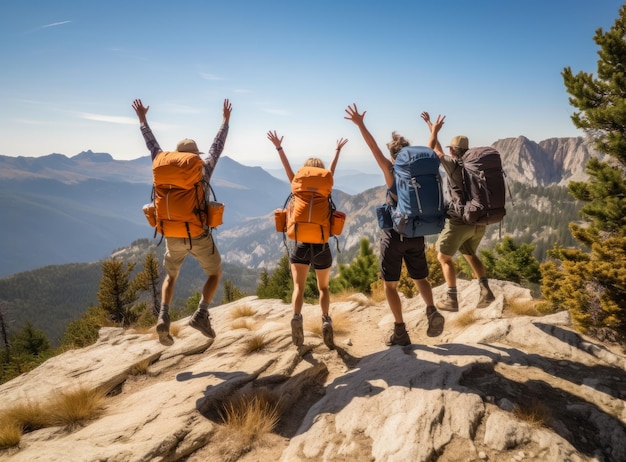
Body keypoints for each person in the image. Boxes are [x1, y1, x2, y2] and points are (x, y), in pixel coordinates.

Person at [132, 98, 232, 345]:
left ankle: (164, 317)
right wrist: (225, 122)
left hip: (172, 233)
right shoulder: (202, 168)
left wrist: (143, 120)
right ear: (194, 156)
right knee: (215, 272)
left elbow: (152, 145)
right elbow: (216, 147)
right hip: (197, 233)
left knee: (171, 276)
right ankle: (201, 313)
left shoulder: (161, 165)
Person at [344, 103, 445, 346]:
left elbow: (372, 147)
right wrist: (433, 130)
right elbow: (430, 148)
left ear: (393, 156)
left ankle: (400, 330)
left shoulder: (391, 170)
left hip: (394, 235)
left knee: (390, 285)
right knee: (421, 278)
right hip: (417, 233)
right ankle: (431, 310)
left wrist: (360, 124)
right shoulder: (419, 170)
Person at [267, 130, 348, 349]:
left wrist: (279, 147)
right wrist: (337, 150)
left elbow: (287, 169)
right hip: (321, 246)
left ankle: (296, 317)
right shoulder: (326, 184)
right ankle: (325, 320)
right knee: (323, 289)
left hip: (300, 245)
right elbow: (332, 170)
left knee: (298, 288)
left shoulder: (297, 183)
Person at [421, 112, 496, 311]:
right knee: (470, 254)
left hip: (461, 222)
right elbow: (440, 151)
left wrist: (433, 129)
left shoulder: (453, 166)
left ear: (453, 152)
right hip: (480, 222)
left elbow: (436, 152)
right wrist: (431, 126)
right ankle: (486, 291)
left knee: (443, 257)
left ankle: (452, 300)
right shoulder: (473, 166)